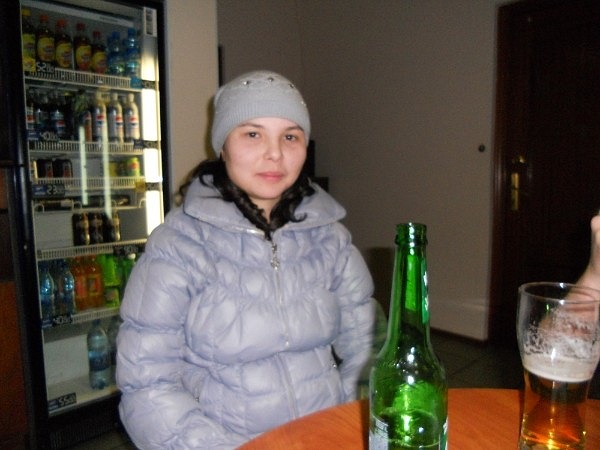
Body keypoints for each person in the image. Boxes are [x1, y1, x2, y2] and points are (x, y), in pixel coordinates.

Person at [116, 70, 376, 449]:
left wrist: (349, 425)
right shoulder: (177, 247)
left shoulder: (330, 238)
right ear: (223, 146)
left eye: (290, 136)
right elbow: (147, 385)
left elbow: (368, 349)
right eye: (253, 134)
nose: (275, 153)